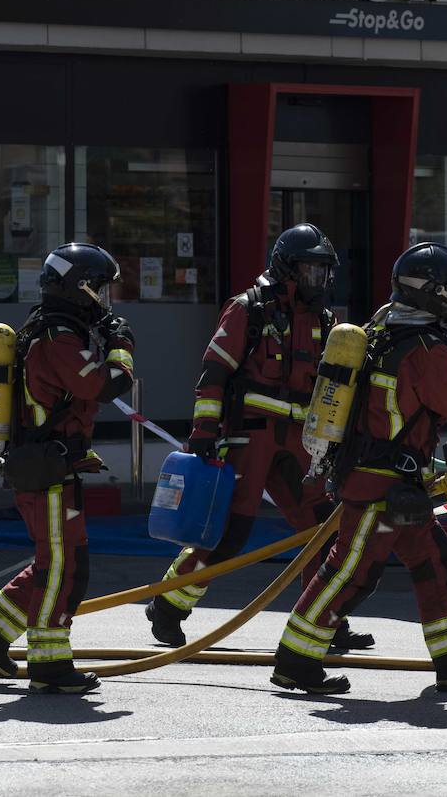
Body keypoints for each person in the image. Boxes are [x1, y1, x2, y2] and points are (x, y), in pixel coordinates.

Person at [270, 242, 447, 694]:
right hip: (379, 484)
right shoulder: (423, 347)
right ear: (432, 291)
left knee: (436, 563)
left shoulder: (383, 329)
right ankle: (295, 660)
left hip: (396, 482)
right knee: (349, 572)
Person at [146, 224, 373, 651]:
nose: (319, 280)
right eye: (310, 270)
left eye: (324, 271)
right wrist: (203, 435)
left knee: (324, 529)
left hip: (302, 444)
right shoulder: (248, 309)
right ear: (288, 268)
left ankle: (323, 621)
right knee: (227, 534)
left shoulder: (326, 321)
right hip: (248, 439)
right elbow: (213, 375)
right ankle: (168, 606)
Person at [0, 244, 134, 695]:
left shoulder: (54, 332)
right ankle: (50, 665)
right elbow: (101, 385)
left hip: (50, 463)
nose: (104, 298)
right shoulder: (58, 337)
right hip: (48, 468)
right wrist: (121, 347)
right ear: (80, 289)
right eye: (99, 288)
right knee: (65, 568)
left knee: (52, 562)